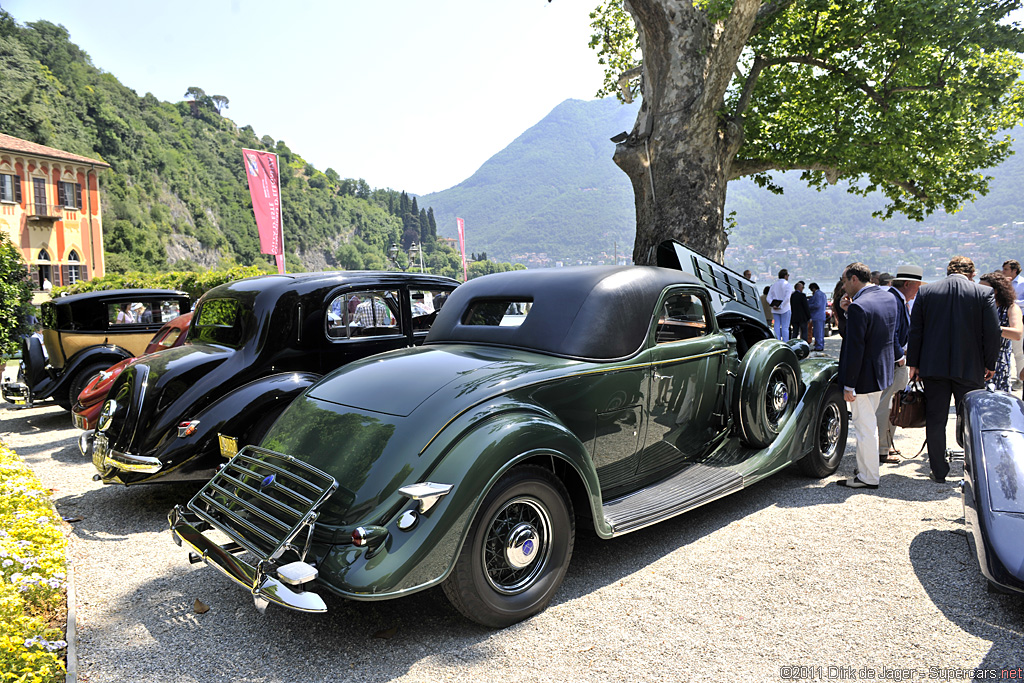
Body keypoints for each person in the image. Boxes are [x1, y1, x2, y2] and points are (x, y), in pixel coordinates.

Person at [907, 256, 1001, 484]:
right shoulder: (983, 293)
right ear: (971, 273)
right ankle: (973, 469)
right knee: (970, 419)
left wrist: (914, 364)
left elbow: (916, 330)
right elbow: (993, 333)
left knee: (936, 419)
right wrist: (991, 364)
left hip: (933, 366)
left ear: (948, 271)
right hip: (970, 367)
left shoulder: (927, 292)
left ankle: (939, 470)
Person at [835, 262, 900, 490]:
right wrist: (846, 314)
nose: (844, 287)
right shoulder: (888, 298)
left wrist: (849, 385)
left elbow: (855, 349)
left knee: (865, 428)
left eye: (844, 281)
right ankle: (867, 470)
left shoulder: (859, 307)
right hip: (882, 372)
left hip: (862, 377)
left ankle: (868, 476)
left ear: (854, 279)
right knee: (868, 423)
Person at [874, 265, 923, 463]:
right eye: (917, 286)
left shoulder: (896, 299)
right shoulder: (895, 300)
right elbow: (891, 332)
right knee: (887, 405)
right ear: (907, 284)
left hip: (896, 360)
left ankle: (885, 446)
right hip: (895, 361)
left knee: (892, 404)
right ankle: (881, 449)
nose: (918, 291)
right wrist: (899, 356)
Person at [978, 271, 1023, 392]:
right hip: (976, 362)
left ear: (996, 290)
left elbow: (1017, 334)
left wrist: (992, 328)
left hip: (1000, 363)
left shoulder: (1011, 307)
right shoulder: (977, 307)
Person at [1001, 259, 1024, 389]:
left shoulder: (1022, 283)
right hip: (1004, 319)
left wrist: (1012, 302)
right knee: (1003, 350)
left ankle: (1020, 380)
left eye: (1006, 269)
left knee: (1018, 351)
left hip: (1019, 320)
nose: (1003, 272)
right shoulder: (1002, 283)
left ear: (1014, 271)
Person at [766, 269, 793, 341]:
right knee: (785, 327)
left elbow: (768, 297)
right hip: (785, 308)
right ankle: (785, 342)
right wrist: (781, 306)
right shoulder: (788, 285)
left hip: (775, 309)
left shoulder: (773, 285)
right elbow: (787, 298)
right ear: (785, 276)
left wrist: (773, 304)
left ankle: (777, 341)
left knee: (776, 326)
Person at [808, 283, 827, 351]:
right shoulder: (823, 294)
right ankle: (820, 345)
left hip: (817, 315)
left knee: (817, 332)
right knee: (821, 332)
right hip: (822, 315)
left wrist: (809, 306)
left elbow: (817, 305)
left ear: (813, 289)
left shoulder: (817, 294)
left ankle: (819, 346)